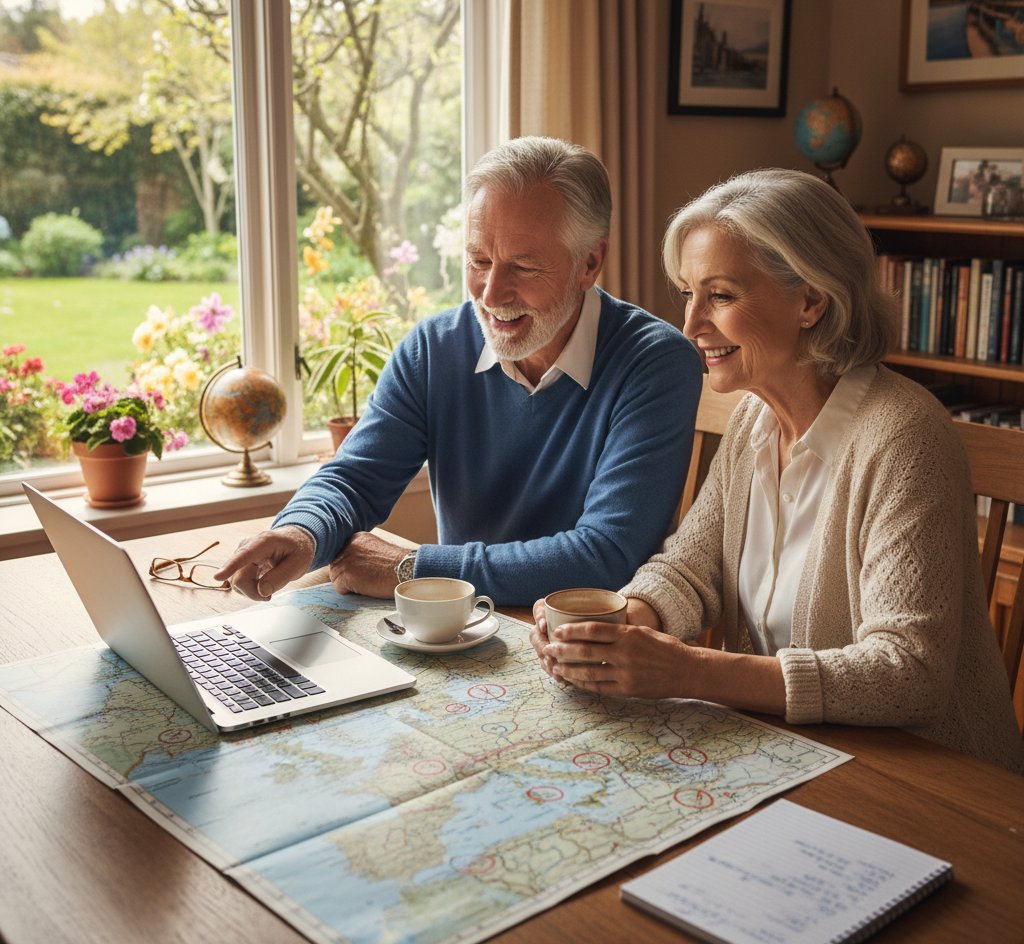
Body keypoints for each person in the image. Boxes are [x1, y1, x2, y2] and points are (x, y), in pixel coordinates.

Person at [532, 168, 1024, 774]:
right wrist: (614, 630)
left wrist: (691, 671)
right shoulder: (753, 420)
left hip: (933, 776)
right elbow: (690, 568)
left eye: (720, 296)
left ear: (810, 301)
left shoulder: (905, 439)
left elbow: (909, 672)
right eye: (688, 293)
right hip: (798, 752)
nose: (691, 325)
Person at [216, 136, 702, 606]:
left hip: (585, 645)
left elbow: (606, 555)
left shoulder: (656, 363)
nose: (491, 294)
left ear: (589, 263)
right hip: (455, 634)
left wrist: (414, 569)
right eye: (479, 260)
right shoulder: (432, 349)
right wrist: (300, 532)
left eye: (523, 267)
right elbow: (356, 479)